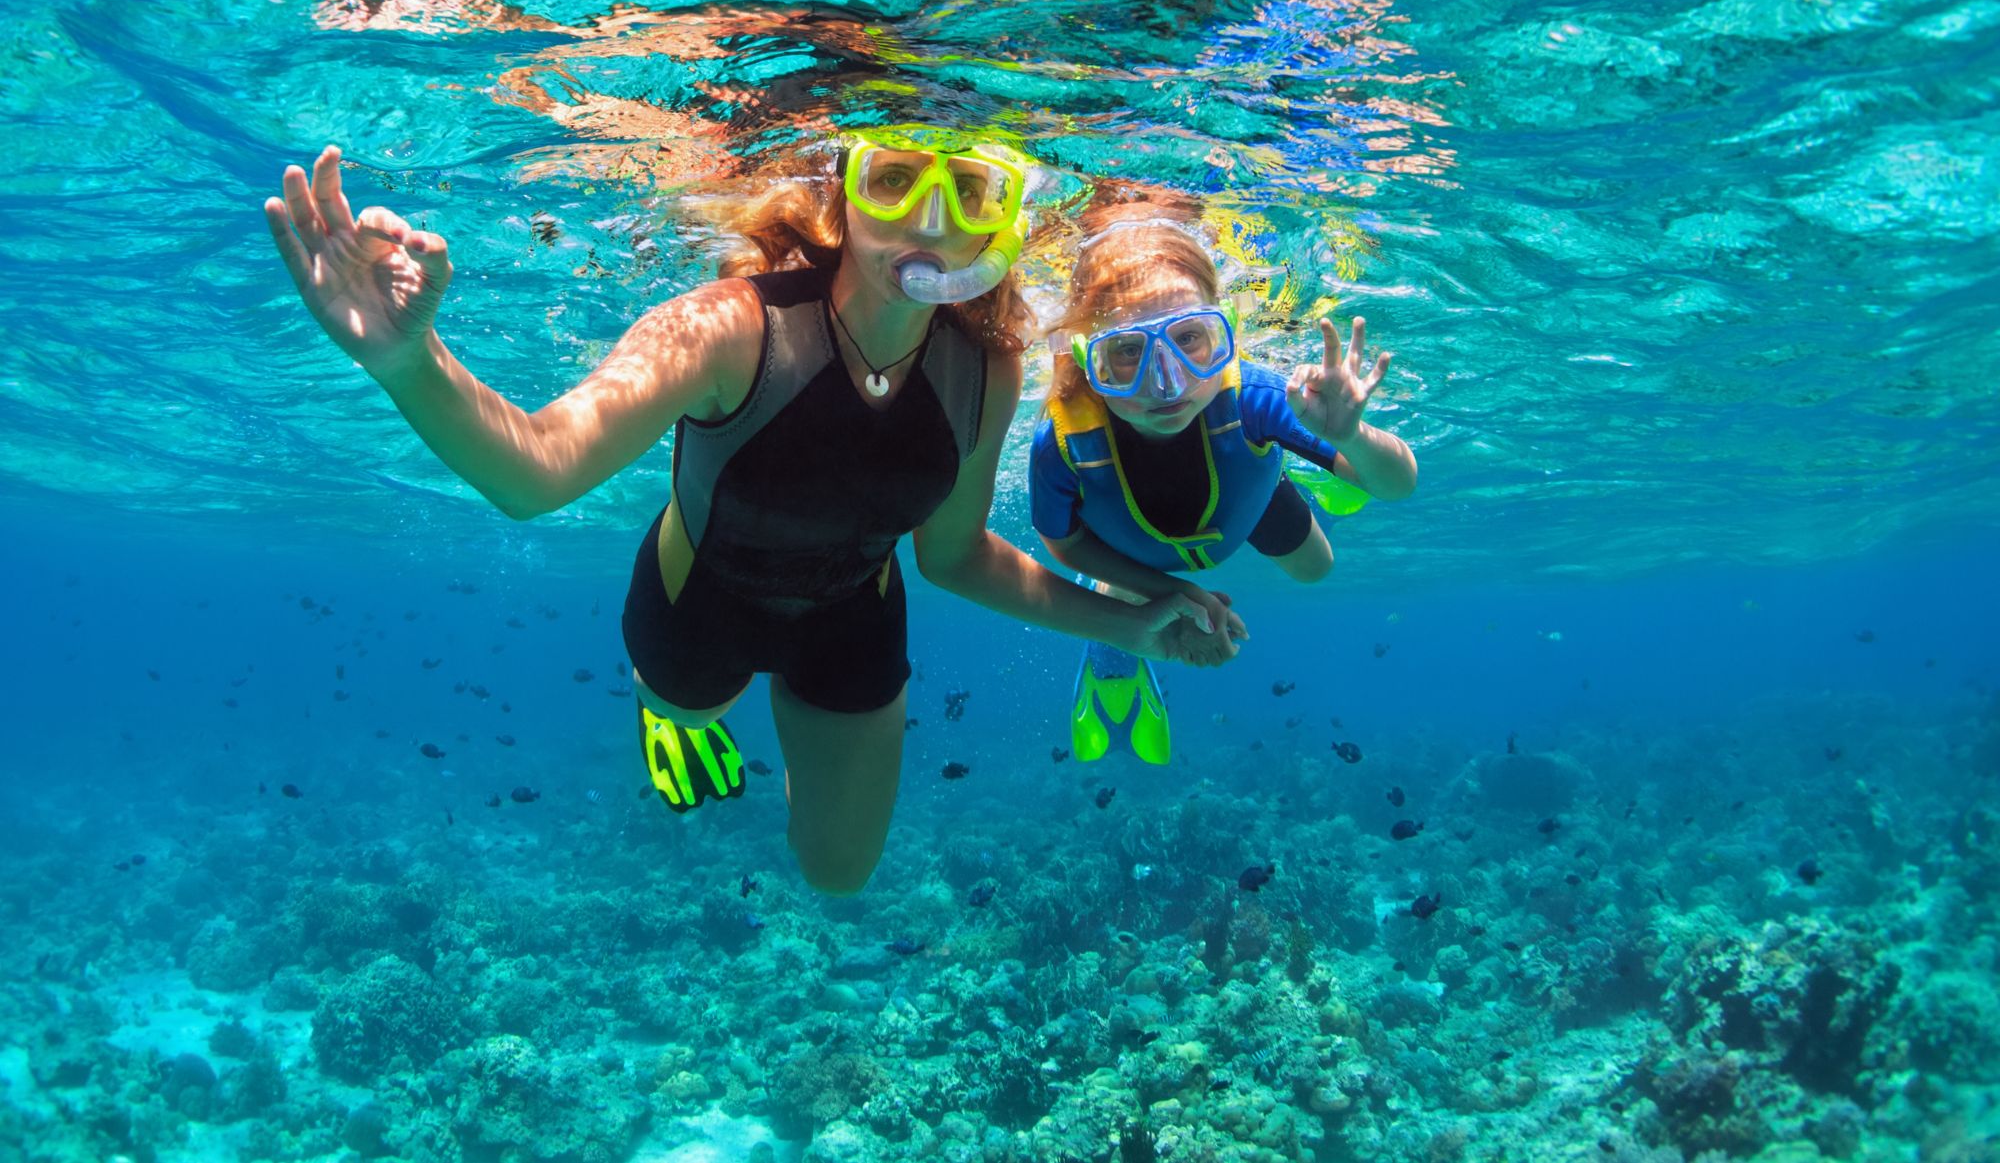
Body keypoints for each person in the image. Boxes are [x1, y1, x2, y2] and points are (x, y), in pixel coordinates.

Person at [263, 132, 1236, 895]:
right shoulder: (730, 326)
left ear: (999, 224)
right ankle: (671, 714)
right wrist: (405, 360)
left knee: (838, 875)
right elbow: (536, 472)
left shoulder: (987, 365)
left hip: (854, 614)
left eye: (970, 192)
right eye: (895, 180)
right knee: (688, 707)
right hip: (699, 602)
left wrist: (1133, 622)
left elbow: (952, 558)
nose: (929, 221)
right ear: (844, 193)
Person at [1030, 188, 1418, 765]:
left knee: (1317, 569)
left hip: (1246, 496)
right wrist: (1173, 594)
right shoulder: (1062, 443)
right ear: (1089, 360)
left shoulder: (1257, 397)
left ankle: (1309, 465)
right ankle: (1116, 626)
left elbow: (1398, 484)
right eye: (1128, 353)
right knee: (1138, 582)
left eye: (1190, 340)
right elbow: (1061, 544)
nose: (1166, 385)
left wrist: (1349, 437)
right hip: (1132, 551)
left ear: (1226, 333)